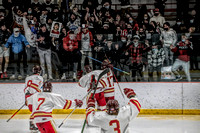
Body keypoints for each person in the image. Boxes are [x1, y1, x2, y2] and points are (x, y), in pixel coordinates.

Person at [24, 65, 43, 132]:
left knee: (34, 111)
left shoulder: (28, 78)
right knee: (36, 111)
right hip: (34, 96)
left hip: (28, 96)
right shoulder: (40, 78)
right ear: (39, 71)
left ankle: (34, 124)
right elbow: (38, 89)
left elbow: (26, 89)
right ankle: (33, 125)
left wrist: (26, 99)